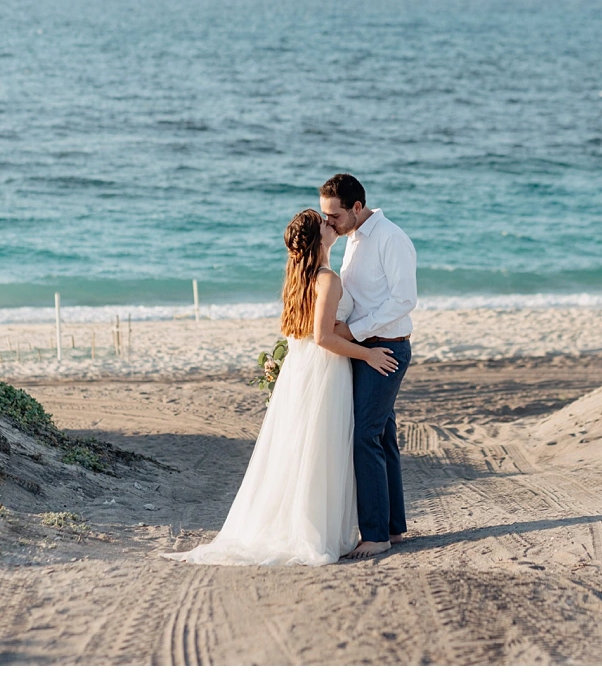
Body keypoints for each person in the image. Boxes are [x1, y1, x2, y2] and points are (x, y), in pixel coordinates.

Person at [161, 209, 398, 566]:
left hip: (301, 371)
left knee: (301, 446)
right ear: (319, 237)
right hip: (325, 370)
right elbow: (323, 338)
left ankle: (309, 523)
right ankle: (314, 530)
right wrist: (368, 355)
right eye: (324, 222)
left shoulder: (297, 279)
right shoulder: (327, 279)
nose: (330, 223)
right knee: (321, 447)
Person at [319, 174, 418, 559]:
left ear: (357, 208)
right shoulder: (353, 239)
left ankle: (374, 535)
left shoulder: (391, 238)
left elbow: (404, 300)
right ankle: (392, 529)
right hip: (362, 348)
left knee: (364, 436)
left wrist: (353, 331)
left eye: (334, 215)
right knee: (382, 436)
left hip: (386, 349)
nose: (329, 223)